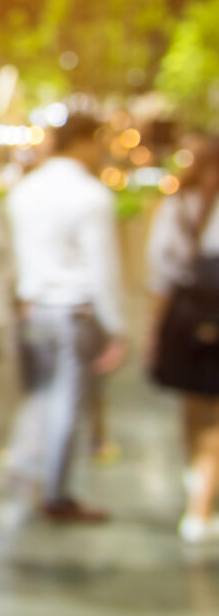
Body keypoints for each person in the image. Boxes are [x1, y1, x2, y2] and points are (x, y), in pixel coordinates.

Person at [5, 114, 127, 524]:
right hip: (74, 311)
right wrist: (117, 329)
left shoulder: (26, 190)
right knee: (65, 403)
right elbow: (103, 268)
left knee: (39, 395)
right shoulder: (90, 194)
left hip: (35, 308)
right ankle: (54, 494)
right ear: (84, 141)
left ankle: (30, 476)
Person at [146, 137, 219, 543]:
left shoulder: (174, 208)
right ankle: (201, 508)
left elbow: (160, 276)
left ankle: (197, 476)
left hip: (184, 318)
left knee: (193, 403)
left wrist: (154, 331)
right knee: (214, 415)